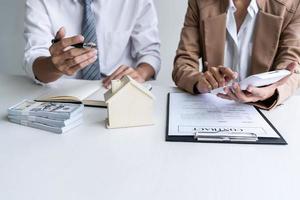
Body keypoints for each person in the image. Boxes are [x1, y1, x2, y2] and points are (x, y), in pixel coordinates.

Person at [173, 0, 300, 109]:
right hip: (210, 106)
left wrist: (271, 91)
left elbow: (292, 66)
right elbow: (183, 62)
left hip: (261, 110)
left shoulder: (291, 5)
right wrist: (199, 81)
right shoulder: (200, 2)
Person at [24, 0, 161, 88]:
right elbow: (34, 60)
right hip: (62, 91)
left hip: (118, 89)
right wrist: (53, 66)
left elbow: (150, 53)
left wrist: (140, 74)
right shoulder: (40, 2)